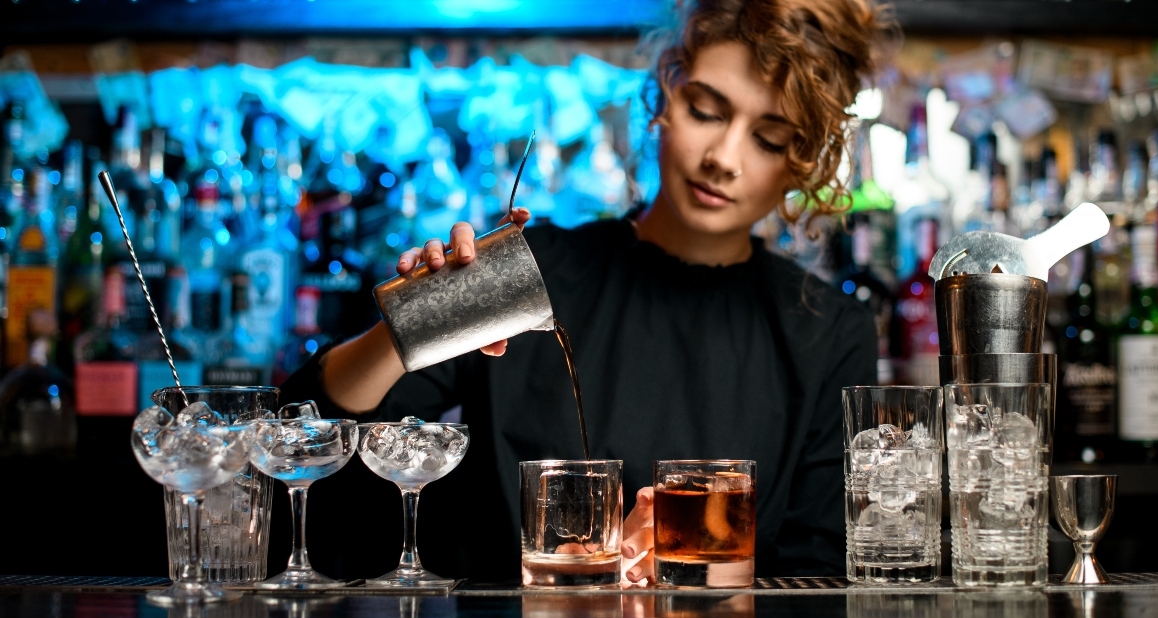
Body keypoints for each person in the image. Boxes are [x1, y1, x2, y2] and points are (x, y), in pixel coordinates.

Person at [282, 0, 892, 582]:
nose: (723, 159)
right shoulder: (537, 269)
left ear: (804, 159)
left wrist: (691, 566)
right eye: (707, 110)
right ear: (665, 92)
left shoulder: (828, 332)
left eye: (769, 138)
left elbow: (820, 571)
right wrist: (413, 318)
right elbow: (313, 439)